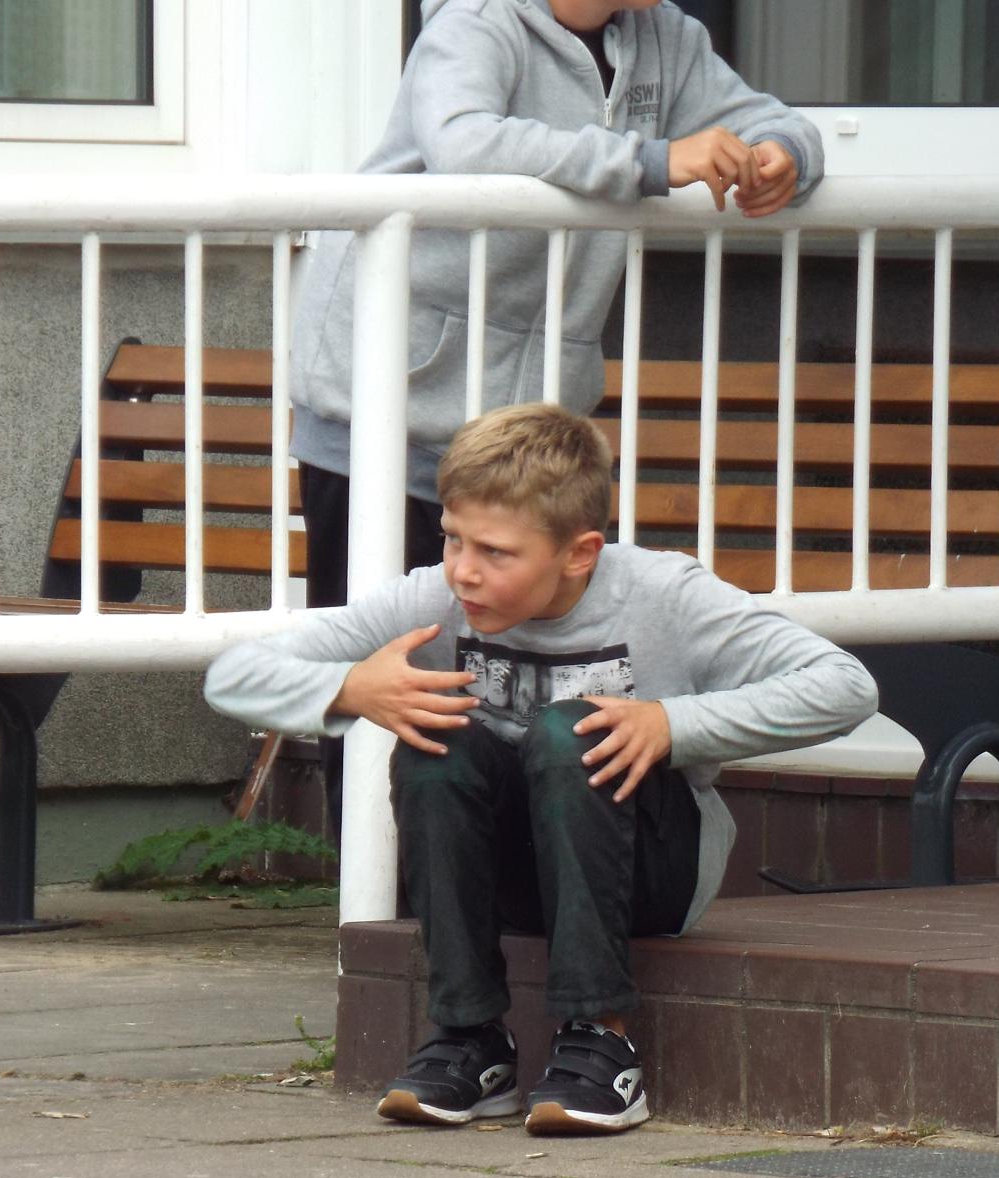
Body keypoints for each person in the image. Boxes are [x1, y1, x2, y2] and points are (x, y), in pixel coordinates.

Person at [205, 404, 876, 1135]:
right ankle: (470, 1040)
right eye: (453, 537)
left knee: (570, 730)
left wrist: (671, 723)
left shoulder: (666, 595)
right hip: (516, 878)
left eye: (496, 552)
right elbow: (234, 675)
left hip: (648, 874)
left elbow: (845, 687)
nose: (464, 570)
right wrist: (350, 688)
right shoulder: (433, 599)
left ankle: (601, 1039)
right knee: (440, 741)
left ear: (579, 553)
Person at [290, 0, 825, 831]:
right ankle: (377, 888)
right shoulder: (477, 21)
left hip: (522, 426)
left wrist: (781, 156)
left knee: (507, 668)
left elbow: (772, 121)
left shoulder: (664, 37)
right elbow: (464, 141)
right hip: (386, 402)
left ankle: (500, 877)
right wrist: (654, 161)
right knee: (390, 662)